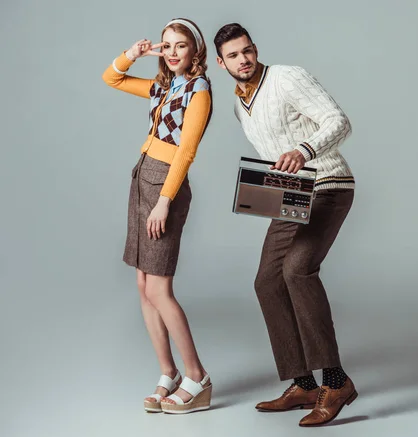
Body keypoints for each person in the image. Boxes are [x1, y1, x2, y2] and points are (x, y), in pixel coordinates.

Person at [214, 23, 358, 427]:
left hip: (328, 185)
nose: (243, 60)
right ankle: (304, 384)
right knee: (267, 281)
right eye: (233, 56)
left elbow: (339, 121)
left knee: (297, 269)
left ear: (255, 49)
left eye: (247, 51)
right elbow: (272, 154)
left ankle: (336, 381)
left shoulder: (287, 77)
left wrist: (304, 150)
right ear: (221, 63)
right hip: (291, 195)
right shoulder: (238, 102)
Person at [102, 18, 213, 414]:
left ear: (194, 51)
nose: (171, 52)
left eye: (180, 45)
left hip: (164, 187)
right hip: (141, 179)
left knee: (160, 290)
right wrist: (133, 54)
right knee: (143, 286)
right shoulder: (164, 86)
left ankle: (196, 377)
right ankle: (168, 374)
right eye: (166, 45)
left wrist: (165, 200)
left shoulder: (198, 90)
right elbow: (111, 78)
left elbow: (186, 150)